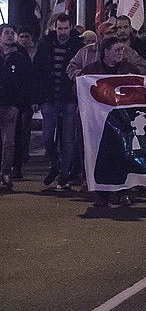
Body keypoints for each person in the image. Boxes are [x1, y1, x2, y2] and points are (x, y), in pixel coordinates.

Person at [80, 37, 142, 208]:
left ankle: (124, 192)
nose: (120, 53)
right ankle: (101, 194)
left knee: (124, 156)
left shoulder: (129, 69)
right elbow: (79, 87)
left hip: (122, 121)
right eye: (116, 50)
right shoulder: (91, 71)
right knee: (101, 156)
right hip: (99, 122)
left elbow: (141, 87)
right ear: (106, 53)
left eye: (122, 50)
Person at [32, 14, 84, 191]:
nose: (62, 32)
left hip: (69, 99)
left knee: (68, 140)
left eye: (65, 28)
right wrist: (37, 97)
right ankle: (56, 163)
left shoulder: (78, 46)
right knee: (47, 138)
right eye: (59, 28)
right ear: (55, 27)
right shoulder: (46, 45)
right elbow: (37, 72)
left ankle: (63, 174)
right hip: (49, 98)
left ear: (70, 28)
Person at [1, 24, 34, 191]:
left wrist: (17, 106)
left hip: (11, 107)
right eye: (6, 33)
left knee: (9, 143)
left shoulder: (19, 58)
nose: (9, 36)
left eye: (11, 33)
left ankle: (6, 173)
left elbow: (25, 84)